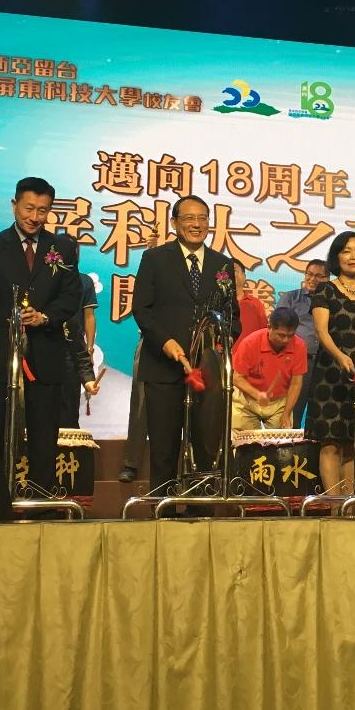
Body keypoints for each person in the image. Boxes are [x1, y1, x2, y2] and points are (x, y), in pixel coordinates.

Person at [0, 177, 85, 495]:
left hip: (45, 353)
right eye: (29, 209)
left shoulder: (61, 248)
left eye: (43, 210)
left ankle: (40, 498)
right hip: (2, 355)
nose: (35, 217)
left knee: (44, 433)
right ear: (14, 205)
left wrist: (45, 316)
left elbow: (70, 295)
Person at [132, 194, 239, 497]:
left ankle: (199, 510)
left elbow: (232, 317)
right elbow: (142, 308)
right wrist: (165, 341)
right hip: (163, 368)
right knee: (164, 449)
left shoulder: (222, 264)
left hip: (206, 374)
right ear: (175, 223)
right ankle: (162, 514)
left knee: (205, 446)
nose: (196, 224)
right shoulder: (155, 258)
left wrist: (221, 341)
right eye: (189, 218)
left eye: (202, 218)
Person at [305, 231, 355, 495]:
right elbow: (321, 332)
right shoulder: (326, 290)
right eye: (347, 251)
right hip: (331, 374)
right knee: (331, 441)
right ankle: (334, 504)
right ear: (337, 257)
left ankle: (349, 505)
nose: (353, 256)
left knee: (351, 441)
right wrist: (341, 357)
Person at [230, 307, 307, 431]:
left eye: (290, 335)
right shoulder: (250, 343)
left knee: (281, 445)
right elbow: (237, 378)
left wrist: (287, 413)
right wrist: (257, 394)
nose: (286, 340)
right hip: (247, 399)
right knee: (243, 444)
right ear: (269, 327)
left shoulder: (299, 346)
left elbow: (296, 384)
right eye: (281, 335)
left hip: (279, 402)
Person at [274, 260, 329, 428]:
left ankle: (316, 452)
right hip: (297, 363)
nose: (312, 279)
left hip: (325, 364)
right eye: (309, 274)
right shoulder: (291, 297)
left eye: (319, 276)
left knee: (322, 412)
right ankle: (291, 451)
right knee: (293, 412)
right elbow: (278, 328)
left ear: (328, 279)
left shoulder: (332, 302)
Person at [59, 269, 99, 428]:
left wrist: (88, 380)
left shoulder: (69, 321)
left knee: (69, 420)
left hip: (68, 366)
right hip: (38, 380)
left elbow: (80, 353)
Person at [233, 259, 269, 340]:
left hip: (249, 352)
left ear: (244, 276)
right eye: (226, 270)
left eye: (234, 270)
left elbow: (264, 332)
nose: (230, 273)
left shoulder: (255, 303)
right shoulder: (216, 302)